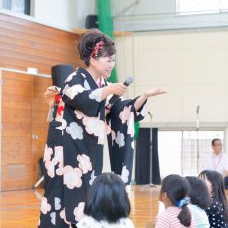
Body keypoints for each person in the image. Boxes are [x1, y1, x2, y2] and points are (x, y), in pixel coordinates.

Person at [39, 29, 165, 227]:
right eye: (108, 59)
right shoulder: (75, 79)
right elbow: (81, 99)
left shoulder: (103, 84)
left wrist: (142, 97)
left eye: (113, 60)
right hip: (65, 150)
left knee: (86, 194)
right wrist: (107, 90)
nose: (111, 64)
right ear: (93, 58)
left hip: (87, 151)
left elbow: (119, 109)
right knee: (59, 197)